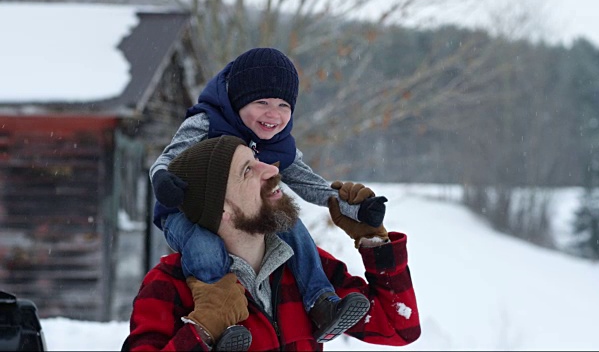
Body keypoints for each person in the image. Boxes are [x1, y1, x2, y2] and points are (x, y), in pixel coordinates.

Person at [149, 47, 388, 346]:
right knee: (206, 248)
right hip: (182, 211)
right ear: (237, 100)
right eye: (261, 102)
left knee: (292, 225)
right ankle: (220, 321)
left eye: (283, 105)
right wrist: (161, 179)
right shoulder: (206, 122)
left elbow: (308, 183)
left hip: (245, 221)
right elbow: (166, 159)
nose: (273, 114)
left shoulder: (280, 143)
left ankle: (320, 302)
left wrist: (356, 210)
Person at [123, 136, 421, 351]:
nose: (272, 171)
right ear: (221, 210)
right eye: (247, 170)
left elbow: (398, 327)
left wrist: (374, 241)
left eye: (258, 161)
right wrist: (202, 330)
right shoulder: (169, 285)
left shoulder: (304, 268)